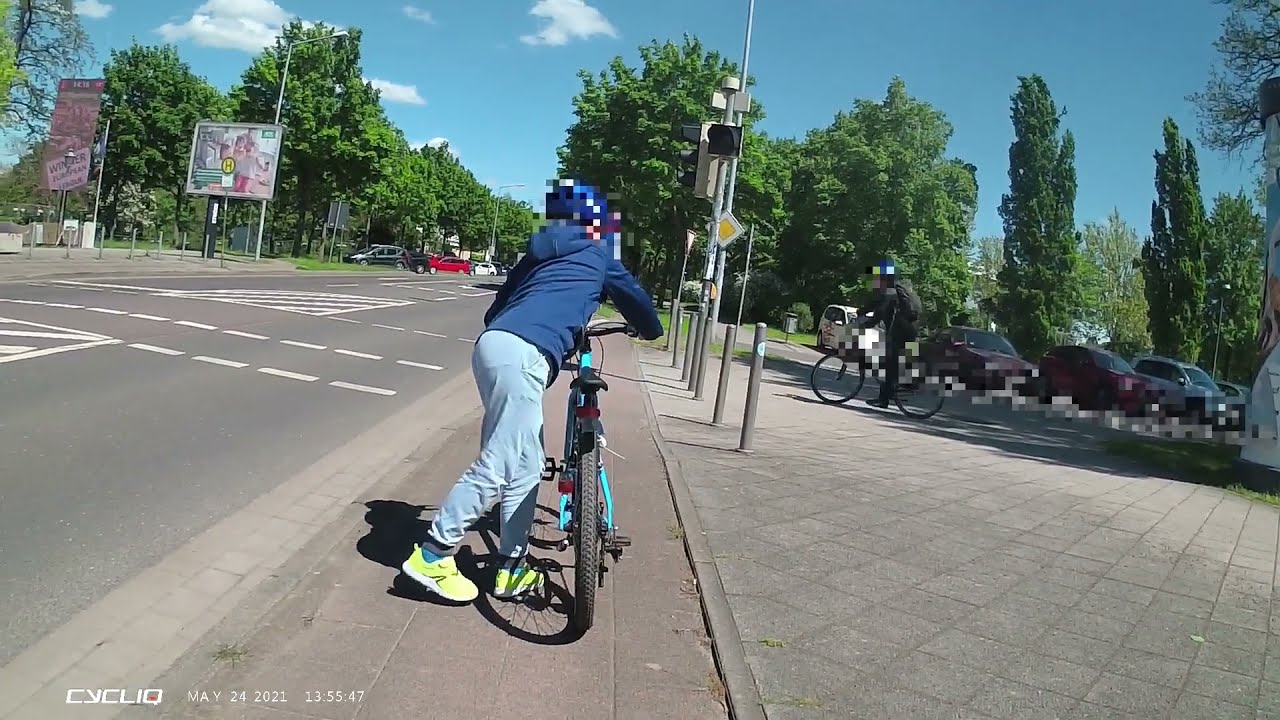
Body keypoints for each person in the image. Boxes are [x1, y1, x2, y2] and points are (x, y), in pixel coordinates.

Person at [400, 179, 664, 603]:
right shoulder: (598, 254)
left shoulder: (537, 254)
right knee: (501, 462)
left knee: (525, 465)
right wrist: (650, 330)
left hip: (494, 346)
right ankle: (432, 555)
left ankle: (512, 567)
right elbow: (638, 305)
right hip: (525, 355)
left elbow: (495, 308)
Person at [855, 261, 921, 407]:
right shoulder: (895, 290)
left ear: (884, 278)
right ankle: (899, 385)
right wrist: (862, 311)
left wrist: (865, 324)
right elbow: (875, 304)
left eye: (878, 277)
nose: (875, 280)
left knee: (889, 363)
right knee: (891, 359)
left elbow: (879, 313)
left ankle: (884, 398)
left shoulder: (890, 292)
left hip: (903, 330)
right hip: (909, 329)